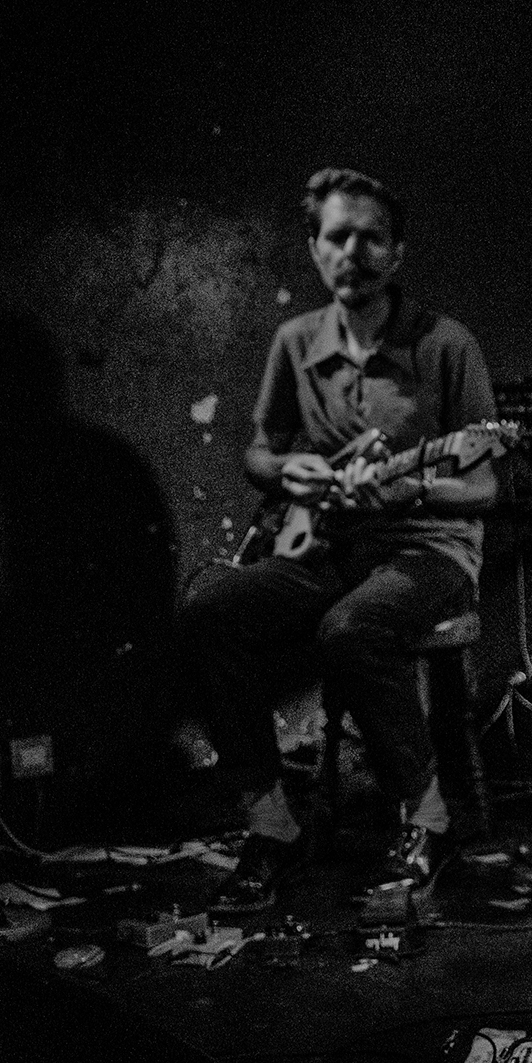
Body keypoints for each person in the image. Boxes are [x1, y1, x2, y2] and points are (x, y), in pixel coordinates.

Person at [177, 168, 498, 911]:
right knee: (207, 610)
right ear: (315, 248)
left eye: (371, 238)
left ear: (397, 252)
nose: (353, 252)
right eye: (337, 236)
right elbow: (260, 454)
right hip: (328, 545)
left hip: (430, 549)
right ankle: (272, 825)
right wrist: (292, 471)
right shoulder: (295, 341)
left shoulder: (447, 345)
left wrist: (411, 488)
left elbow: (486, 486)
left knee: (350, 630)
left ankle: (429, 817)